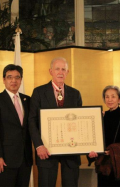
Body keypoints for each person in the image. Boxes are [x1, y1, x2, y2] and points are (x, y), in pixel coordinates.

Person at [28, 57, 82, 187]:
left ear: (68, 72)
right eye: (57, 69)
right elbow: (31, 120)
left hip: (71, 150)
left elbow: (80, 121)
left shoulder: (75, 94)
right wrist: (38, 145)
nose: (60, 72)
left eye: (63, 69)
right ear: (50, 71)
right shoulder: (39, 92)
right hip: (46, 150)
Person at [0, 64, 33, 187]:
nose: (13, 80)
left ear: (21, 80)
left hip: (25, 159)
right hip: (5, 159)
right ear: (4, 80)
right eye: (9, 77)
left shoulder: (27, 100)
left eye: (17, 77)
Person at [88, 85, 120, 187]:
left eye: (113, 96)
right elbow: (93, 139)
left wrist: (112, 151)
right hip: (104, 164)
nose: (110, 99)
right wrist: (92, 152)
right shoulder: (100, 117)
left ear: (119, 99)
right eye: (107, 96)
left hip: (119, 164)